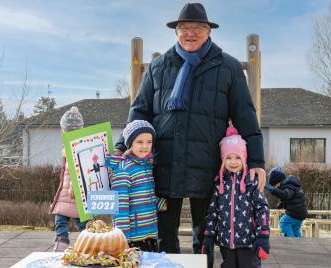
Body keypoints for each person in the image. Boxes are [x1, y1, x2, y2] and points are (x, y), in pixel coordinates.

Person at [114, 3, 266, 253]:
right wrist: (122, 147)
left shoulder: (227, 67)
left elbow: (245, 115)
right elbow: (140, 111)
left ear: (208, 31)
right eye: (184, 27)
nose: (190, 33)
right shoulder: (158, 67)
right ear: (176, 32)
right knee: (163, 235)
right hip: (164, 162)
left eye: (197, 27)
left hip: (206, 164)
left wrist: (257, 161)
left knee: (204, 235)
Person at [202, 124, 269, 268]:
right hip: (226, 242)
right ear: (223, 160)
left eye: (237, 157)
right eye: (228, 158)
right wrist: (209, 235)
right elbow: (212, 212)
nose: (233, 162)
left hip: (248, 242)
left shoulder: (251, 182)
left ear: (244, 158)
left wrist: (263, 235)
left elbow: (262, 208)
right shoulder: (219, 184)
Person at [106, 120, 164, 252]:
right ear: (130, 144)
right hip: (133, 239)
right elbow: (120, 207)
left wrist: (157, 203)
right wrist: (122, 239)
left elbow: (142, 196)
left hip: (149, 234)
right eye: (140, 142)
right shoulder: (124, 169)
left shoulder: (146, 165)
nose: (145, 146)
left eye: (149, 142)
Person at [50, 106, 88, 252]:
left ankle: (62, 242)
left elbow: (76, 168)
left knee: (61, 219)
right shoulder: (77, 145)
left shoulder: (74, 147)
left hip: (72, 192)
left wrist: (73, 185)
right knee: (80, 220)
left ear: (65, 130)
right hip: (74, 192)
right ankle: (85, 243)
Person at [265, 167, 308, 237]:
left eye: (275, 185)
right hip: (300, 213)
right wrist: (280, 205)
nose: (276, 187)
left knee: (283, 222)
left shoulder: (288, 186)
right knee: (295, 230)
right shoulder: (291, 185)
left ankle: (290, 242)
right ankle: (299, 245)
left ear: (278, 181)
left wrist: (271, 189)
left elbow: (285, 195)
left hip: (295, 213)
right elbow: (289, 198)